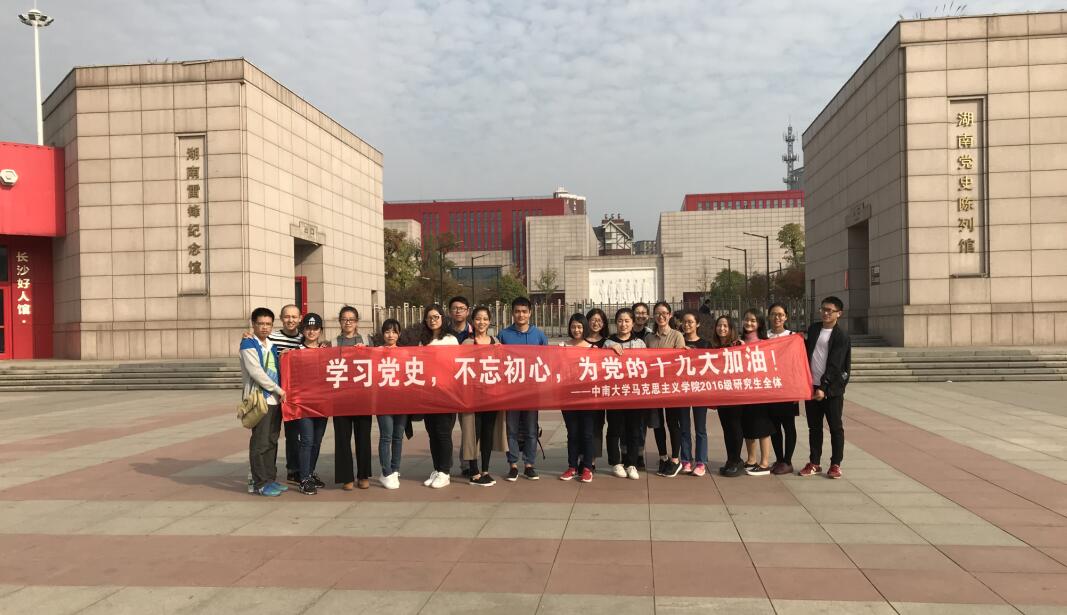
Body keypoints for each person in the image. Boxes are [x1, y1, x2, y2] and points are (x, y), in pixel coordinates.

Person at [497, 296, 549, 481]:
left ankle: (529, 465)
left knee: (531, 429)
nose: (521, 315)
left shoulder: (539, 335)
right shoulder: (503, 335)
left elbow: (547, 361)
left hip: (532, 391)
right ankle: (512, 465)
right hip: (511, 391)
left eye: (524, 311)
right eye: (517, 311)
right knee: (511, 429)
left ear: (530, 313)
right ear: (512, 313)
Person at [800, 296, 852, 479]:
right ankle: (814, 462)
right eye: (823, 309)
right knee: (814, 428)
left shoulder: (841, 336)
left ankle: (836, 464)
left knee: (835, 427)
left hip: (831, 390)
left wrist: (823, 387)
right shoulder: (814, 329)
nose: (825, 313)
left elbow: (835, 365)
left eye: (830, 310)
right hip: (811, 386)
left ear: (839, 313)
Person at [241, 307, 287, 496]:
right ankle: (260, 483)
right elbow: (256, 373)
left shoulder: (271, 345)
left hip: (275, 400)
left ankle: (270, 479)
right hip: (260, 399)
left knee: (271, 441)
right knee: (260, 443)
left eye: (268, 324)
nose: (265, 327)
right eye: (260, 323)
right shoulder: (248, 344)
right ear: (253, 324)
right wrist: (279, 390)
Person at [461, 306, 508, 487]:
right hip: (472, 397)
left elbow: (502, 367)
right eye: (478, 319)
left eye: (485, 319)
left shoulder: (496, 342)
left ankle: (485, 470)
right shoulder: (466, 344)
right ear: (473, 321)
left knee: (488, 432)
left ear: (490, 322)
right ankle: (473, 471)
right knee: (473, 433)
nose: (482, 322)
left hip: (491, 395)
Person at [644, 301, 688, 478]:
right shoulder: (649, 338)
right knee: (657, 424)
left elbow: (679, 362)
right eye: (657, 313)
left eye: (664, 313)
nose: (661, 316)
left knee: (673, 423)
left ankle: (675, 459)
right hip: (654, 387)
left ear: (669, 315)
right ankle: (663, 457)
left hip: (671, 387)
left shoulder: (677, 336)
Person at [604, 308, 647, 480]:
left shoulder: (640, 343)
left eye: (627, 321)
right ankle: (616, 462)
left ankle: (631, 463)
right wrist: (610, 348)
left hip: (634, 394)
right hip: (614, 394)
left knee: (634, 430)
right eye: (620, 321)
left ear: (633, 323)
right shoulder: (608, 343)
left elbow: (647, 365)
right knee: (614, 429)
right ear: (616, 322)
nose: (623, 324)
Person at [333, 305, 373, 491]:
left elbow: (378, 360)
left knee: (363, 437)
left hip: (362, 396)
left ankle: (363, 475)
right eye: (344, 319)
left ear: (357, 322)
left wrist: (366, 351)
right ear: (340, 321)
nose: (348, 322)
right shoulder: (332, 343)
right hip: (340, 397)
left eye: (351, 319)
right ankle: (346, 477)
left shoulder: (366, 340)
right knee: (342, 438)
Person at [291, 313, 329, 495]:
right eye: (308, 328)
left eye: (315, 328)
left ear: (320, 330)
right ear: (303, 330)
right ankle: (304, 478)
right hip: (303, 403)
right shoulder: (295, 351)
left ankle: (310, 472)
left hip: (322, 403)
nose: (311, 332)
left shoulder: (326, 351)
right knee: (307, 440)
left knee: (317, 440)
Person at [420, 304, 459, 489]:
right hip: (428, 393)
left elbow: (456, 365)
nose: (433, 320)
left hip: (446, 393)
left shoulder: (450, 339)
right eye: (429, 317)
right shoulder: (423, 340)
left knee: (443, 433)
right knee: (432, 432)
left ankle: (445, 472)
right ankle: (437, 469)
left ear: (442, 318)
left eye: (436, 316)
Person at [559, 313, 596, 483]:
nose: (576, 330)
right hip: (568, 397)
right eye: (573, 326)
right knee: (572, 433)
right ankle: (572, 466)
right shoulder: (562, 347)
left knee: (587, 433)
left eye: (579, 326)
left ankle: (587, 467)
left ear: (585, 328)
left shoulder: (593, 348)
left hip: (587, 397)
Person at [766, 303, 800, 475]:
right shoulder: (764, 337)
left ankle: (788, 461)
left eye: (780, 314)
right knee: (774, 426)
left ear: (786, 317)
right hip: (770, 388)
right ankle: (779, 459)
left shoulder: (793, 337)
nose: (777, 317)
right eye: (773, 314)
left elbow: (798, 364)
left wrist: (798, 390)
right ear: (769, 316)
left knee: (789, 425)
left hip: (788, 389)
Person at [739, 309, 773, 476]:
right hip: (743, 390)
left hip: (760, 391)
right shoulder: (738, 342)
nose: (749, 323)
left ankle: (765, 462)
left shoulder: (765, 343)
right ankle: (751, 459)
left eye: (753, 320)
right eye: (746, 319)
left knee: (762, 427)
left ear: (759, 323)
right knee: (747, 426)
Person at [711, 315, 745, 477]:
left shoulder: (738, 345)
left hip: (735, 393)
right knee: (726, 428)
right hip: (721, 393)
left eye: (725, 326)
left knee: (735, 426)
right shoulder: (714, 347)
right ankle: (730, 459)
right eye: (719, 325)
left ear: (731, 329)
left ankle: (737, 460)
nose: (722, 328)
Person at [678, 310, 710, 477]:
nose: (687, 325)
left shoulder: (705, 344)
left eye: (690, 322)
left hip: (699, 390)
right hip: (682, 390)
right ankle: (686, 460)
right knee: (684, 427)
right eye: (684, 322)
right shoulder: (678, 342)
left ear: (697, 324)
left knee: (700, 428)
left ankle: (701, 462)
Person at [376, 319, 407, 489]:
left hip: (401, 400)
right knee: (386, 436)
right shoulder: (376, 352)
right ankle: (386, 472)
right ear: (383, 334)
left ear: (399, 334)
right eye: (387, 331)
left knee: (398, 437)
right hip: (383, 400)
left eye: (394, 332)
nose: (391, 335)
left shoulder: (405, 353)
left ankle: (395, 469)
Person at [584, 308, 610, 472]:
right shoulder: (579, 341)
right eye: (593, 320)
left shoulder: (608, 343)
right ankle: (581, 457)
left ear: (604, 323)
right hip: (581, 390)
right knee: (581, 425)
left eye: (599, 320)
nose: (596, 323)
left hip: (600, 391)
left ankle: (591, 459)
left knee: (596, 425)